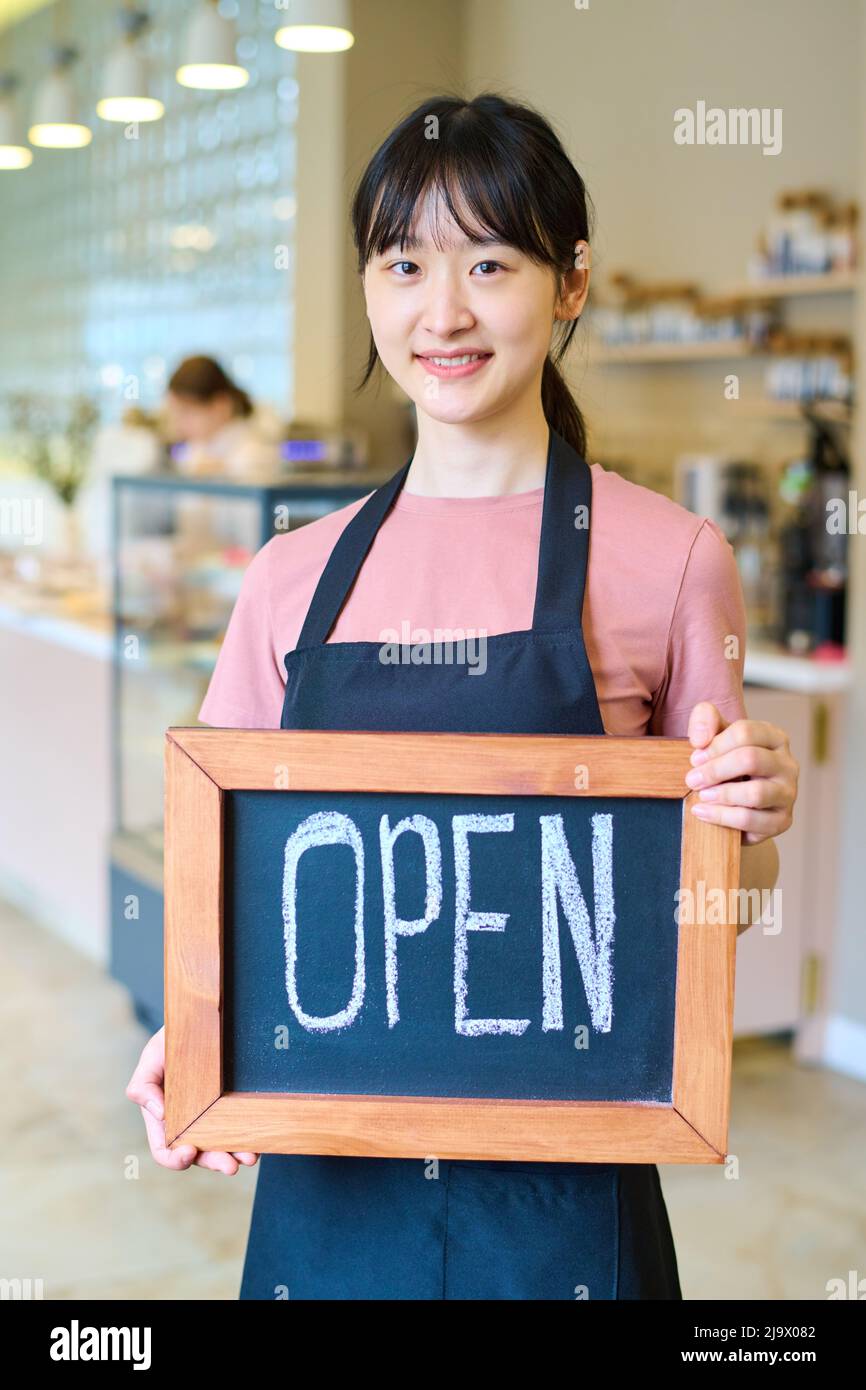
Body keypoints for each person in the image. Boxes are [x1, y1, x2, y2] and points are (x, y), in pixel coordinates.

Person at [126, 92, 799, 1300]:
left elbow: (716, 917)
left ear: (570, 282)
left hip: (562, 1213)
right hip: (327, 1199)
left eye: (488, 262)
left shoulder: (675, 559)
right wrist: (187, 1039)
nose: (442, 312)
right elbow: (221, 888)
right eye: (402, 265)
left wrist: (748, 824)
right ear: (368, 289)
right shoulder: (289, 577)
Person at [163, 355, 282, 480]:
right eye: (175, 414)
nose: (179, 426)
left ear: (221, 405)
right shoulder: (194, 452)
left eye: (187, 412)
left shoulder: (256, 457)